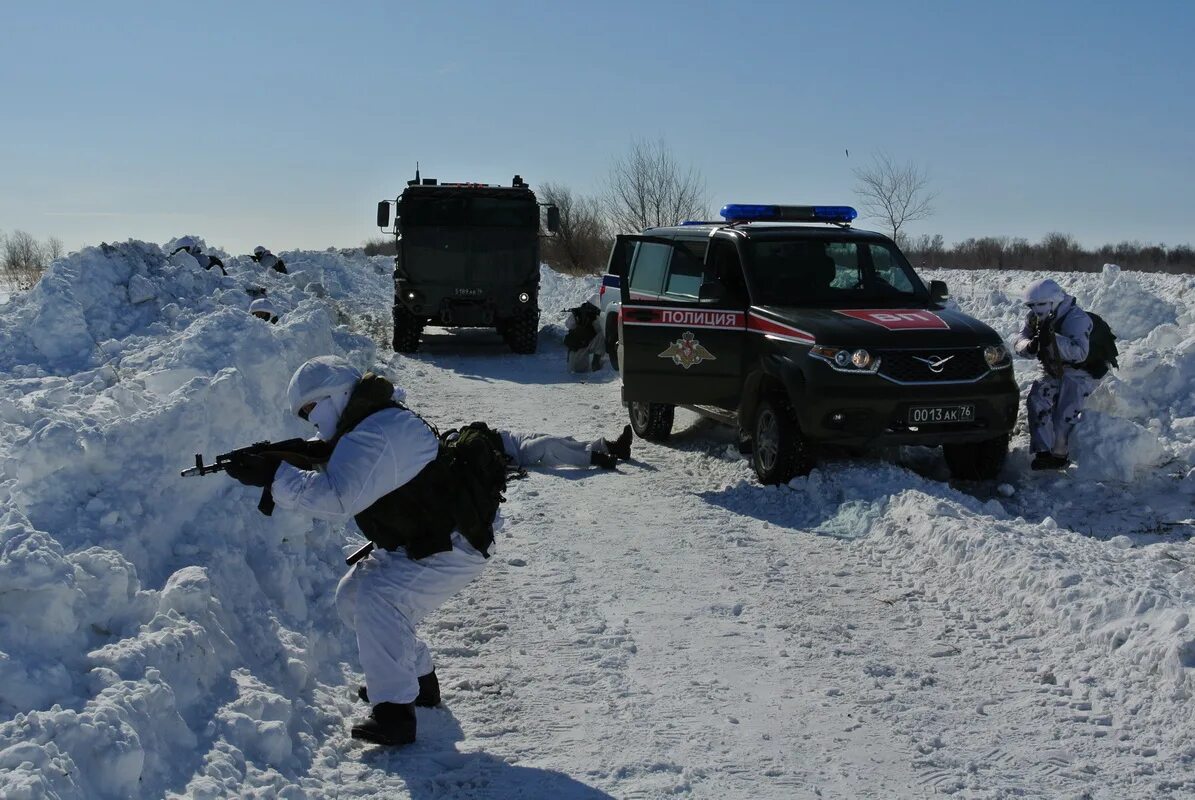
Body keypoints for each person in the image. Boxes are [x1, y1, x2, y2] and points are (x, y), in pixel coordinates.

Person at [223, 356, 493, 746]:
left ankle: (395, 715)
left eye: (312, 409)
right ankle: (417, 681)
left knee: (377, 599)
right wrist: (284, 461)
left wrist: (275, 475)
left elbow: (337, 499)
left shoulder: (377, 432)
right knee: (352, 598)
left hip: (453, 543)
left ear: (337, 395)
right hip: (424, 538)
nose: (312, 421)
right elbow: (334, 459)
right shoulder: (368, 424)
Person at [1013, 278, 1100, 470]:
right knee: (1037, 399)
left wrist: (1053, 340)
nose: (1037, 309)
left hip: (1080, 371)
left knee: (1066, 411)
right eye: (1032, 305)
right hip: (1052, 368)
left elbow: (1080, 353)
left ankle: (1060, 455)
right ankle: (1043, 452)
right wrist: (1031, 345)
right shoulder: (1034, 318)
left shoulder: (1076, 318)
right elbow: (1019, 340)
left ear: (1054, 300)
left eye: (1042, 304)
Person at [500, 425, 632, 470]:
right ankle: (598, 459)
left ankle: (615, 448)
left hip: (514, 437)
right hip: (519, 452)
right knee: (549, 443)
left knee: (563, 441)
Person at [563, 294, 605, 372]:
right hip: (583, 348)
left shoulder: (578, 312)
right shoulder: (596, 317)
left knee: (577, 371)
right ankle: (596, 362)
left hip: (574, 349)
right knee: (602, 336)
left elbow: (568, 324)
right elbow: (600, 331)